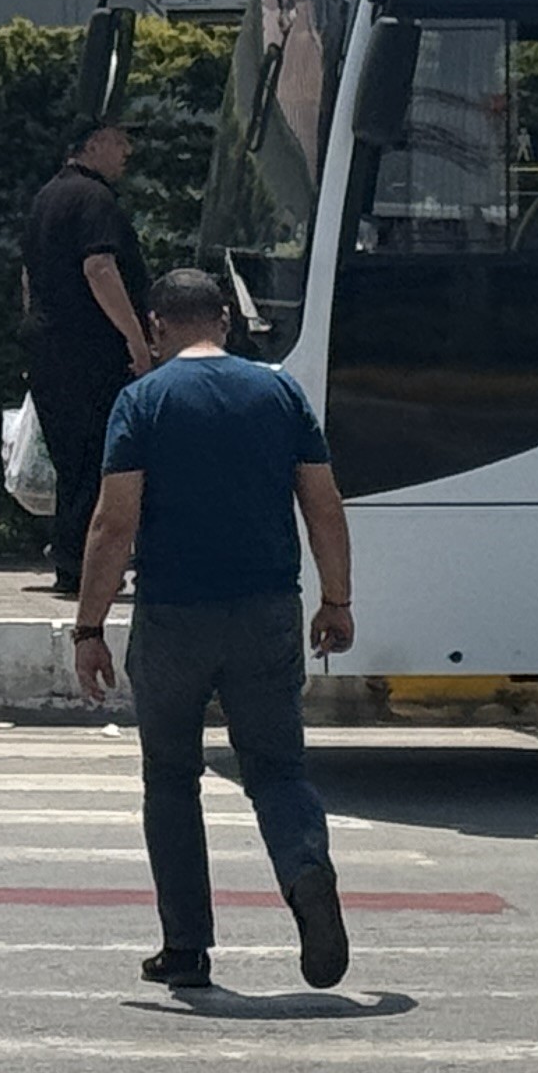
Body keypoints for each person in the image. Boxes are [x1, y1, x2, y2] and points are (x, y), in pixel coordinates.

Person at [67, 265, 356, 994]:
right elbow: (322, 502)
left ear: (158, 327)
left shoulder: (143, 401)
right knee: (279, 771)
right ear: (225, 319)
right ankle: (304, 869)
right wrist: (337, 600)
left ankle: (187, 949)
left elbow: (113, 523)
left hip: (174, 618)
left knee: (171, 779)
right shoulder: (279, 391)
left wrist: (89, 627)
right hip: (267, 612)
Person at [18, 121, 150, 593]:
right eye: (118, 142)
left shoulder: (45, 199)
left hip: (49, 345)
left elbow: (29, 279)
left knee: (72, 461)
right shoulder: (95, 200)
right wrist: (136, 341)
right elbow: (99, 266)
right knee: (104, 457)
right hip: (91, 350)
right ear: (92, 145)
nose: (127, 151)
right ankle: (94, 567)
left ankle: (73, 563)